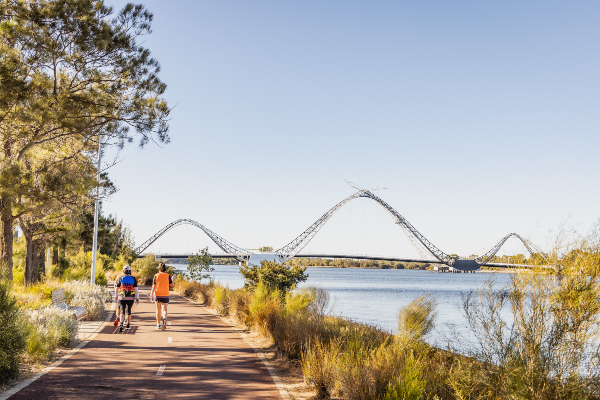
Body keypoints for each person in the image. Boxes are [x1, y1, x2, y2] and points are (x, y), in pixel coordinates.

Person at [114, 265, 139, 333]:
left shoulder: (120, 278)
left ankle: (121, 325)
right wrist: (137, 298)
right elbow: (136, 290)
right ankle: (128, 325)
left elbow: (116, 288)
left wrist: (116, 295)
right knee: (128, 310)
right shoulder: (133, 279)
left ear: (123, 271)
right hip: (130, 297)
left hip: (121, 297)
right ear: (130, 271)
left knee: (122, 310)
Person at [150, 262, 174, 330]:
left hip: (157, 294)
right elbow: (172, 285)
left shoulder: (156, 275)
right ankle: (164, 320)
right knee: (165, 309)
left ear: (159, 269)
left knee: (158, 309)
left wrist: (151, 294)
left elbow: (153, 286)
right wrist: (173, 279)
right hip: (165, 294)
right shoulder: (168, 276)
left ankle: (158, 324)